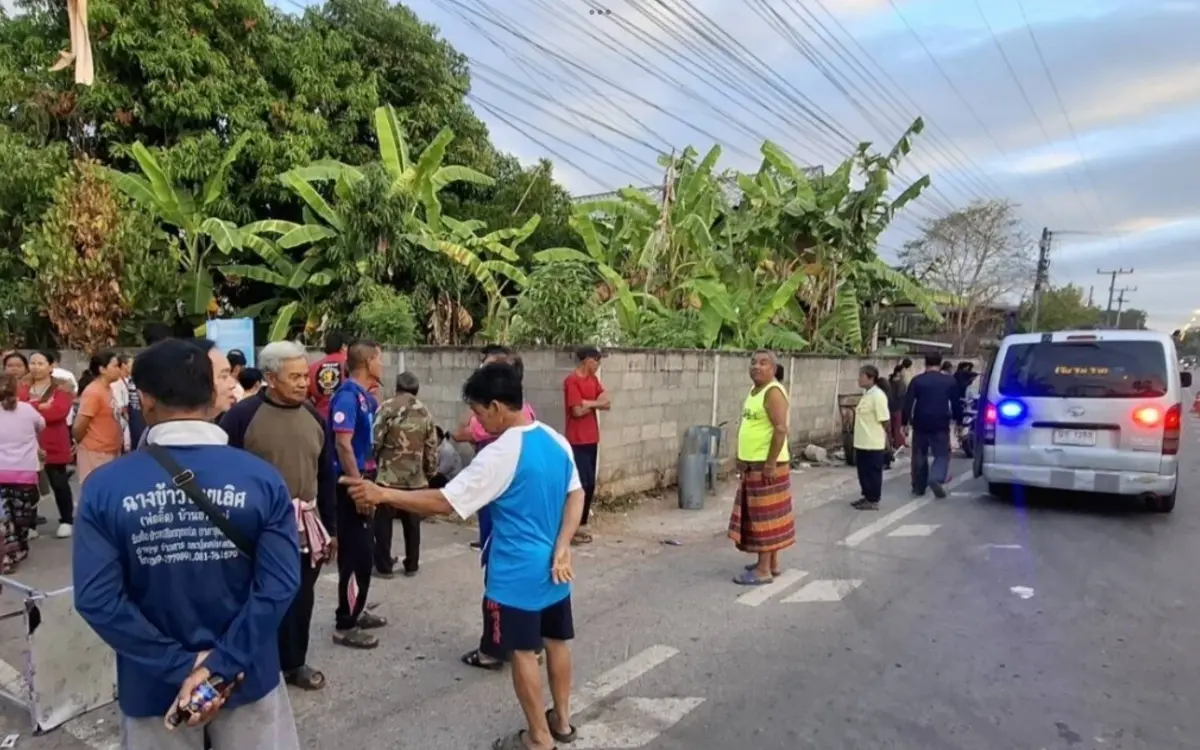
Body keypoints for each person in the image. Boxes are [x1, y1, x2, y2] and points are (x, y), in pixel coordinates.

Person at [340, 361, 584, 750]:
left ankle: (539, 738)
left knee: (523, 652)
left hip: (515, 573)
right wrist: (564, 545)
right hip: (554, 568)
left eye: (478, 412)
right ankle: (562, 722)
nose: (476, 421)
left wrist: (382, 493)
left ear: (497, 407)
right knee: (556, 642)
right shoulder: (555, 440)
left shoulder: (501, 454)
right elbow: (576, 494)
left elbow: (445, 501)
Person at [73, 338, 301, 750]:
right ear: (212, 394)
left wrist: (180, 666)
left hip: (153, 688)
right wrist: (221, 665)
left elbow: (97, 599)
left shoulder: (104, 488)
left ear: (145, 399)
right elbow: (280, 585)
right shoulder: (262, 479)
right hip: (247, 678)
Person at [221, 341, 336, 692]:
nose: (304, 383)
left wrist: (331, 529)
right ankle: (256, 663)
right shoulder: (241, 418)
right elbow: (223, 476)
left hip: (306, 525)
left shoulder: (313, 417)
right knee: (257, 594)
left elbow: (325, 476)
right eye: (295, 377)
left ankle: (294, 663)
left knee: (301, 595)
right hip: (257, 527)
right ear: (270, 378)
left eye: (305, 376)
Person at [329, 340, 386, 649]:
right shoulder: (347, 397)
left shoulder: (364, 397)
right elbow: (343, 444)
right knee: (355, 555)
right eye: (379, 359)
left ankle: (357, 608)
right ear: (367, 362)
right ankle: (346, 623)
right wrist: (357, 487)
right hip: (352, 484)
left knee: (365, 551)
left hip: (364, 478)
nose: (383, 365)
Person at [729, 350, 795, 584]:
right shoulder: (755, 391)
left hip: (766, 467)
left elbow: (780, 429)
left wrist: (770, 464)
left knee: (763, 519)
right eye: (753, 362)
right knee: (769, 517)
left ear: (773, 369)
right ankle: (772, 564)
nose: (757, 366)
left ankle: (763, 570)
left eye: (764, 363)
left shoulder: (773, 392)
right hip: (753, 465)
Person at [372, 371, 438, 579]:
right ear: (416, 390)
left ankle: (384, 567)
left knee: (383, 524)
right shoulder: (425, 412)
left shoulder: (386, 408)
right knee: (412, 523)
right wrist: (430, 472)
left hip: (388, 477)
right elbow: (431, 447)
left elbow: (375, 440)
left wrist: (375, 463)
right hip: (414, 479)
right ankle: (412, 564)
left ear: (397, 387)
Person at [23, 351, 75, 538]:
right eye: (33, 363)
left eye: (41, 363)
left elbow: (57, 413)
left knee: (59, 483)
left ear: (51, 366)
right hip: (27, 444)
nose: (36, 367)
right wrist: (41, 406)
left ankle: (67, 520)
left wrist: (30, 407)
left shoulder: (62, 388)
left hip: (53, 443)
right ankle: (30, 524)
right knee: (29, 486)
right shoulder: (21, 387)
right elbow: (15, 408)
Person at [563, 346, 610, 546]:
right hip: (577, 440)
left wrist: (588, 404)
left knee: (590, 483)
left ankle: (582, 523)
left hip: (592, 439)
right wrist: (594, 404)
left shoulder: (593, 380)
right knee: (582, 482)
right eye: (597, 360)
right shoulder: (572, 381)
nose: (598, 364)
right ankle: (572, 525)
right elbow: (576, 411)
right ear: (587, 360)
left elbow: (607, 402)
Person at [0, 374, 45, 568]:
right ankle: (19, 547)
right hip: (25, 471)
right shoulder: (27, 410)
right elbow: (41, 425)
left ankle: (8, 553)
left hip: (1, 471)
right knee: (21, 515)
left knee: (5, 515)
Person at [902, 353, 962, 499]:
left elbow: (908, 402)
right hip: (941, 422)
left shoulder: (917, 381)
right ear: (940, 363)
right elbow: (956, 403)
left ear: (925, 363)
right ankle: (936, 477)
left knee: (919, 454)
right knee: (941, 454)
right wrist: (959, 422)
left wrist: (904, 423)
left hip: (920, 422)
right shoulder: (949, 381)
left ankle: (919, 487)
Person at [74, 351, 126, 483]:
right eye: (115, 366)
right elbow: (80, 426)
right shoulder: (93, 392)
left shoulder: (108, 389)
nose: (119, 370)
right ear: (102, 369)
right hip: (96, 452)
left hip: (110, 450)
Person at [852, 365, 892, 511]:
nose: (858, 379)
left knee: (872, 473)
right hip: (862, 441)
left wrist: (886, 438)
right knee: (863, 472)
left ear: (870, 378)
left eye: (861, 376)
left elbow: (885, 420)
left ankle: (873, 499)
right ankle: (867, 496)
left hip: (872, 442)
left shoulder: (878, 396)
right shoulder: (867, 394)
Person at [308, 332, 348, 422]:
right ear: (343, 346)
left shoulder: (313, 368)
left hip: (320, 419)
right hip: (347, 418)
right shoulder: (352, 367)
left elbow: (306, 395)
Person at [886, 363, 908, 452]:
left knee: (890, 427)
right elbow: (902, 395)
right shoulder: (901, 383)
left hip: (889, 407)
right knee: (897, 427)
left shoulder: (889, 382)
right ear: (898, 373)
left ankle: (892, 443)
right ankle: (897, 444)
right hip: (898, 407)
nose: (904, 373)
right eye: (903, 371)